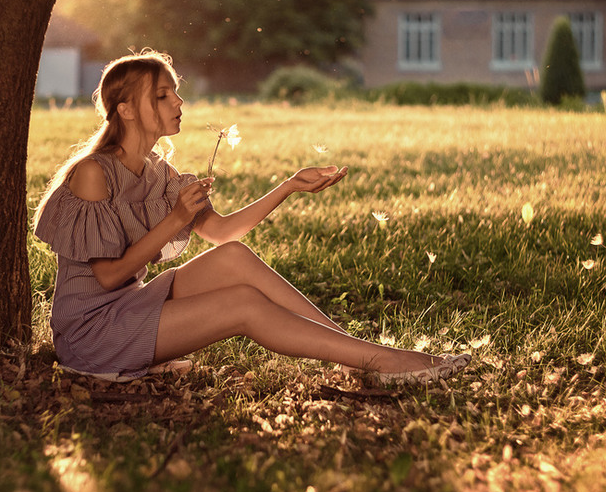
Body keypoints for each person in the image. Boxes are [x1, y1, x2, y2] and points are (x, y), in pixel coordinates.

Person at [34, 51, 470, 384]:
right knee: (242, 304)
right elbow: (107, 278)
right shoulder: (93, 173)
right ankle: (381, 361)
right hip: (92, 333)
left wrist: (288, 186)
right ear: (126, 109)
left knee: (235, 258)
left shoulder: (157, 171)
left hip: (131, 304)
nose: (179, 101)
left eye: (176, 92)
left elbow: (222, 232)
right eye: (163, 95)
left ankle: (358, 355)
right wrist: (174, 219)